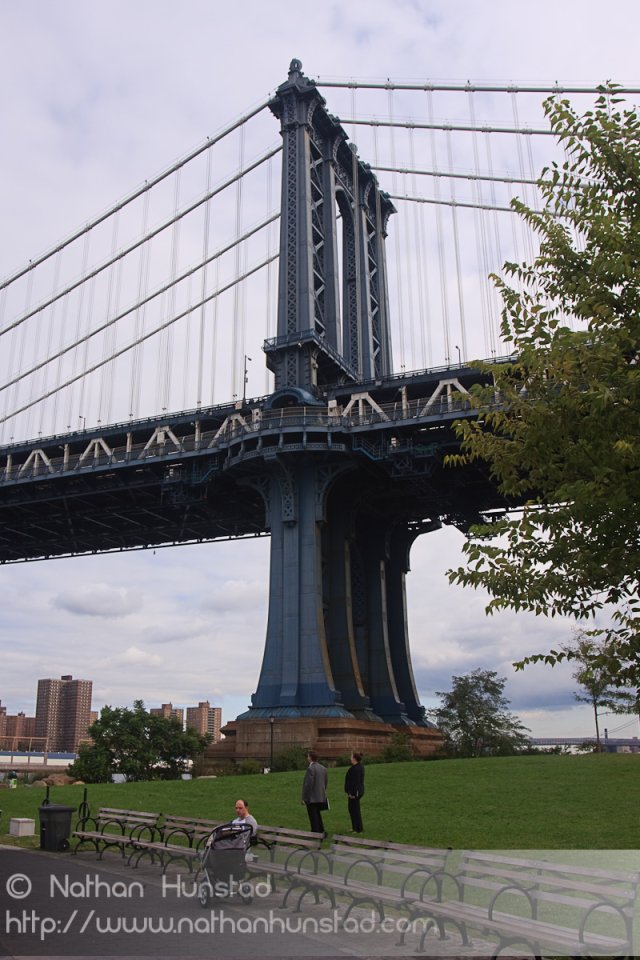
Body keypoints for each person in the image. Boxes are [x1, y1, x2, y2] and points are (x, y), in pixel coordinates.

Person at [301, 750, 328, 836]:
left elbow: (308, 784)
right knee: (317, 814)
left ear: (310, 758)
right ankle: (321, 829)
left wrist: (305, 798)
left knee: (313, 815)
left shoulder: (311, 769)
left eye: (308, 756)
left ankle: (315, 832)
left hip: (312, 797)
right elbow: (325, 782)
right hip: (320, 795)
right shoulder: (323, 768)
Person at [344, 751, 365, 833]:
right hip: (353, 792)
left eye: (351, 756)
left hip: (355, 793)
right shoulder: (356, 767)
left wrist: (352, 793)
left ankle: (358, 828)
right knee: (351, 809)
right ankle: (354, 827)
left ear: (354, 758)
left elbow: (356, 782)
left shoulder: (357, 768)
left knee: (355, 810)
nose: (350, 758)